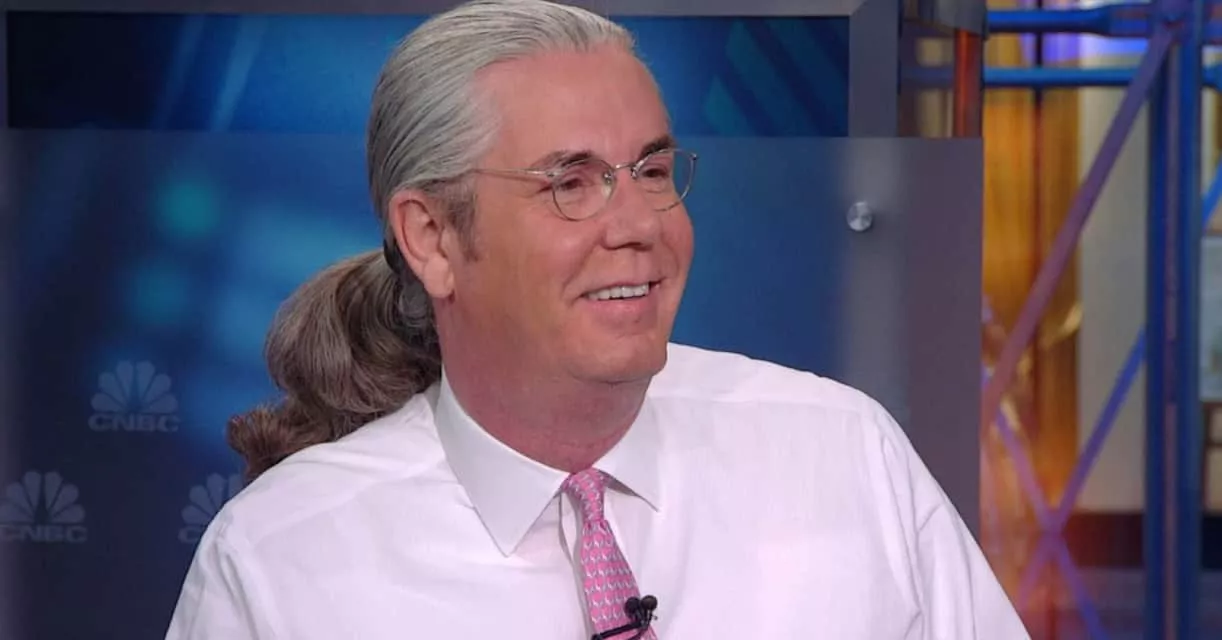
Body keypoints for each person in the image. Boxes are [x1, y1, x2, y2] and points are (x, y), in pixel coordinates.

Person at [165, 0, 1030, 638]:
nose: (639, 226)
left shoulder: (842, 454)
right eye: (570, 184)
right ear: (431, 238)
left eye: (651, 171)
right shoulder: (281, 562)